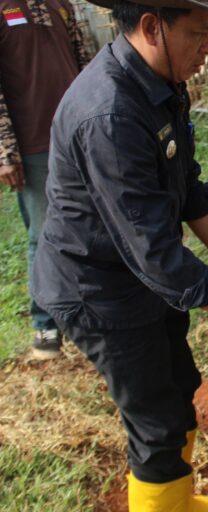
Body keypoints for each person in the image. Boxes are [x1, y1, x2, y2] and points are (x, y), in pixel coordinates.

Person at [30, 0, 208, 509]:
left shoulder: (162, 84)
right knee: (156, 424)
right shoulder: (109, 115)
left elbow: (185, 185)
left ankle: (178, 502)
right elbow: (159, 258)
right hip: (98, 290)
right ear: (152, 27)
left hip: (140, 275)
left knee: (180, 385)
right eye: (197, 33)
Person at [0, 0, 90, 359]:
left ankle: (85, 308)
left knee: (89, 223)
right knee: (44, 232)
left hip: (78, 134)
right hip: (33, 142)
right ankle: (45, 322)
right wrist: (5, 150)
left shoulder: (61, 5)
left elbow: (85, 65)